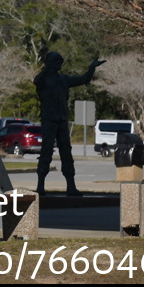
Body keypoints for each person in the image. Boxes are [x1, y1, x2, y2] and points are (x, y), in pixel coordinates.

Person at [34, 50, 103, 196]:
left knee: (67, 153)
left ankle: (71, 186)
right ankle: (40, 186)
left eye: (60, 60)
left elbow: (83, 79)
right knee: (46, 151)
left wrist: (91, 68)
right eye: (56, 60)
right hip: (49, 119)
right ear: (49, 62)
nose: (59, 63)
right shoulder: (43, 80)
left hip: (62, 119)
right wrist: (46, 67)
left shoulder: (63, 79)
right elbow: (37, 81)